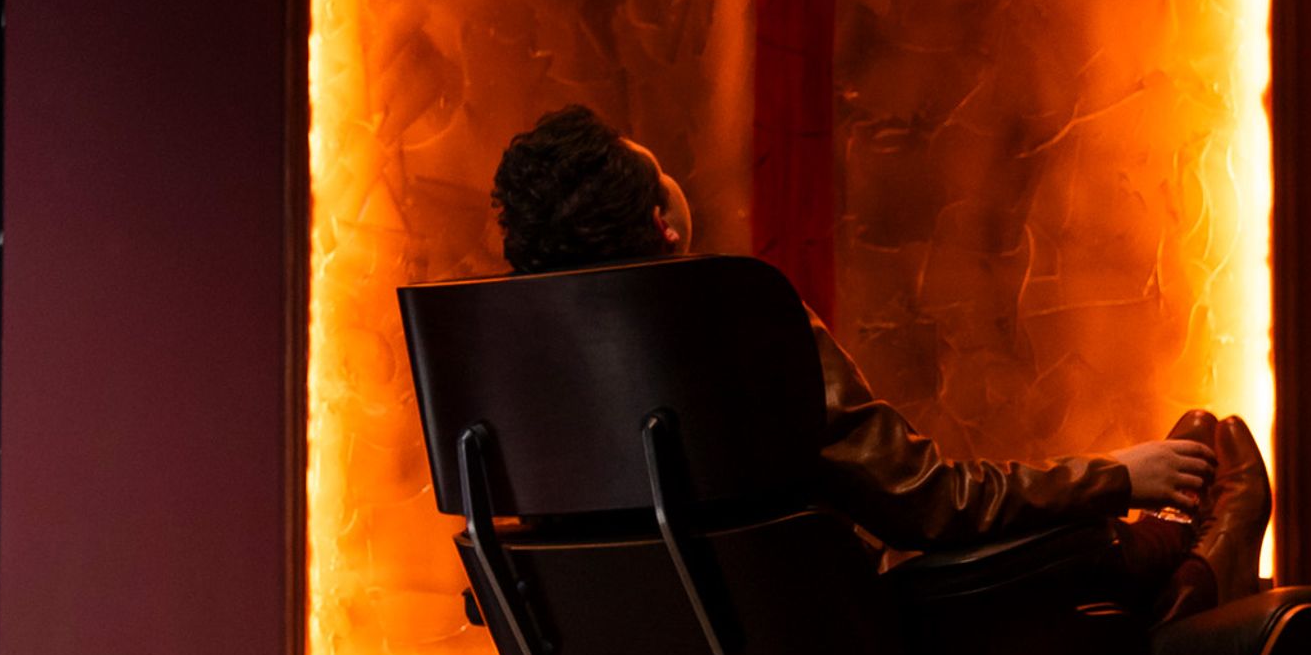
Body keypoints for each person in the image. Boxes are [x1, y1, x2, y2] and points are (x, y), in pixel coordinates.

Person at [487, 103, 1270, 611]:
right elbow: (928, 505)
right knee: (1042, 551)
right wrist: (1112, 477)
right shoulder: (741, 328)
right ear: (663, 222)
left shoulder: (513, 367)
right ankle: (1175, 564)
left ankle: (1174, 570)